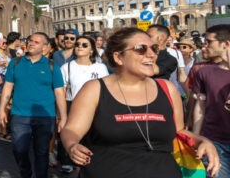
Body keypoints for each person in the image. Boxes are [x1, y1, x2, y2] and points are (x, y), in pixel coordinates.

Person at [60, 27, 219, 178]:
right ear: (118, 57)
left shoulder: (167, 89)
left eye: (154, 49)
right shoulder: (94, 89)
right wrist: (72, 145)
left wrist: (202, 141)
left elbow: (179, 131)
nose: (151, 55)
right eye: (141, 49)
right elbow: (72, 129)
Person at [0, 32, 67, 178]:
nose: (31, 43)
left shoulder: (51, 66)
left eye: (36, 42)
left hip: (45, 116)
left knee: (41, 152)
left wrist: (63, 116)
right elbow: (7, 88)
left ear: (45, 47)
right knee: (19, 149)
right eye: (30, 40)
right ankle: (26, 173)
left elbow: (60, 92)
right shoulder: (15, 63)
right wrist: (2, 110)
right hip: (20, 115)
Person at [57, 35, 109, 174]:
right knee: (69, 133)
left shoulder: (101, 67)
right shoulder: (66, 67)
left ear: (91, 50)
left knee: (92, 135)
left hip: (95, 105)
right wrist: (61, 114)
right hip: (72, 104)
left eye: (84, 45)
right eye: (78, 44)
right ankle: (67, 161)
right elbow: (61, 91)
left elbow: (105, 88)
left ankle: (89, 161)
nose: (79, 46)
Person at [192, 24, 230, 178]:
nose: (204, 45)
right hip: (215, 143)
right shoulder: (204, 72)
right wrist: (195, 138)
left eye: (209, 41)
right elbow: (200, 106)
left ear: (226, 43)